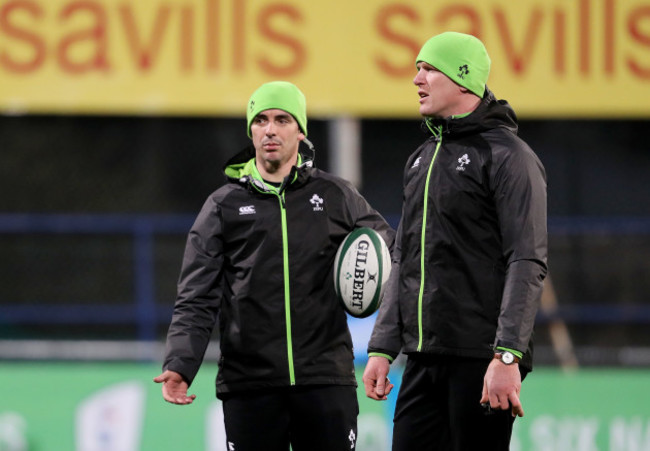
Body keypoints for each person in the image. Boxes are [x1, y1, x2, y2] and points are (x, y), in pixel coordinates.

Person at [154, 81, 395, 451]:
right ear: (251, 130)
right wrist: (181, 363)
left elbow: (391, 255)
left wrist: (384, 345)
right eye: (261, 120)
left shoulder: (336, 196)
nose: (270, 129)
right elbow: (196, 296)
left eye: (282, 119)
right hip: (250, 385)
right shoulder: (223, 206)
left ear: (300, 131)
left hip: (325, 380)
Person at [362, 31, 548, 450]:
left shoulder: (510, 157)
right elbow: (405, 258)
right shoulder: (421, 158)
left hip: (481, 359)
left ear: (463, 79)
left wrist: (507, 355)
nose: (417, 80)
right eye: (417, 69)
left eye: (429, 69)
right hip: (423, 359)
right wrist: (383, 347)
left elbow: (527, 260)